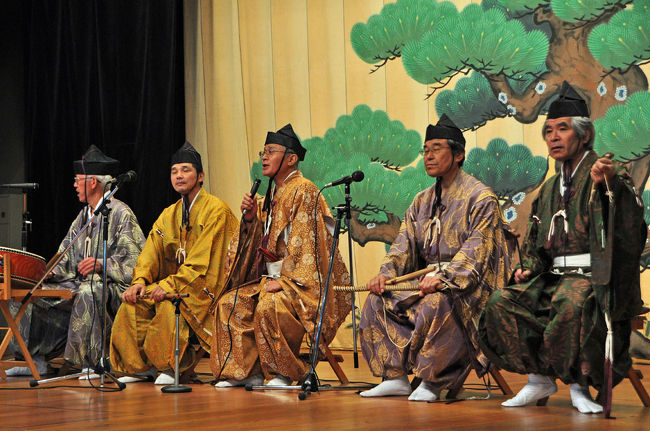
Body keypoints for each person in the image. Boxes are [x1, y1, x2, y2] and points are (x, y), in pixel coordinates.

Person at [478, 82, 646, 414]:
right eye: (549, 130)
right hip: (553, 278)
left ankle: (579, 383)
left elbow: (630, 225)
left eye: (563, 129)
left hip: (594, 281)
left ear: (584, 135)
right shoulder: (550, 188)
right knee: (501, 302)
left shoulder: (607, 173)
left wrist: (610, 183)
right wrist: (528, 265)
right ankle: (539, 377)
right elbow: (538, 244)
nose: (553, 137)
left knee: (571, 300)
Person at [358, 115, 511, 402]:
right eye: (425, 150)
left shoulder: (481, 198)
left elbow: (477, 250)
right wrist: (386, 274)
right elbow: (403, 245)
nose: (428, 156)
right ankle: (395, 377)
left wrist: (444, 278)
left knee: (436, 302)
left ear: (458, 154)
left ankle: (432, 381)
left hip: (468, 285)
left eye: (436, 148)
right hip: (426, 279)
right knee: (376, 300)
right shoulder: (421, 200)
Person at [210, 124, 351, 387]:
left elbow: (306, 247)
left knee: (269, 304)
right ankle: (244, 372)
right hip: (272, 278)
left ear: (291, 158)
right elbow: (257, 242)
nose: (263, 157)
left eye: (270, 151)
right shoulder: (271, 194)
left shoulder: (304, 190)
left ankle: (284, 373)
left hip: (302, 283)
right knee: (230, 304)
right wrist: (251, 219)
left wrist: (286, 281)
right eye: (262, 152)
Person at [7, 145, 145, 378]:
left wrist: (102, 264)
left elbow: (137, 260)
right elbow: (65, 256)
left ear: (93, 182)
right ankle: (33, 359)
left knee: (90, 290)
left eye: (77, 180)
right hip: (79, 283)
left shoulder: (121, 213)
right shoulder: (83, 216)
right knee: (28, 294)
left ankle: (90, 361)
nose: (74, 185)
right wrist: (49, 273)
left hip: (110, 287)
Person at [110, 142, 237, 384]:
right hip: (177, 283)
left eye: (185, 170)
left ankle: (170, 367)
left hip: (207, 288)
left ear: (200, 176)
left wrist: (170, 286)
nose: (179, 176)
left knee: (170, 304)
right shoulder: (169, 214)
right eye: (174, 171)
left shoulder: (216, 211)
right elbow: (151, 251)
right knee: (132, 303)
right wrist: (140, 281)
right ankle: (138, 367)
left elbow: (203, 264)